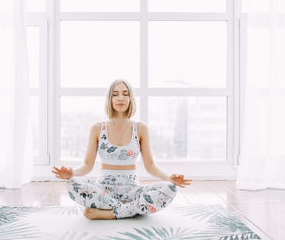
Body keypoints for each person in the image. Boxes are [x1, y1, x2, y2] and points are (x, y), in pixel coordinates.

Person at [52, 79, 192, 220]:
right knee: (72, 184)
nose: (120, 98)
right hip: (103, 193)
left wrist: (168, 178)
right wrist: (71, 173)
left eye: (125, 94)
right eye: (115, 94)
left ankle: (109, 213)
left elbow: (150, 166)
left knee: (170, 188)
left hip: (132, 191)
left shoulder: (141, 128)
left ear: (130, 99)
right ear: (109, 99)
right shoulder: (97, 128)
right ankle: (129, 209)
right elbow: (87, 166)